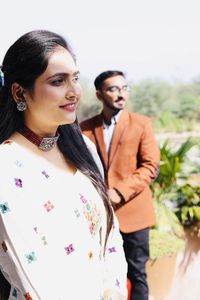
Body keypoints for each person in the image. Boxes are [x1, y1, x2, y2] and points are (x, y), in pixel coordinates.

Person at [0, 32, 128, 300]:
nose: (74, 91)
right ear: (19, 91)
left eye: (76, 78)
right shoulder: (8, 166)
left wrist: (112, 289)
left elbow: (110, 233)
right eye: (58, 81)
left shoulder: (83, 148)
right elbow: (31, 273)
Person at [81, 70, 160, 300]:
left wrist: (118, 192)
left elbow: (150, 166)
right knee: (100, 275)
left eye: (124, 88)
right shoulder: (85, 128)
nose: (121, 94)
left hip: (134, 215)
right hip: (99, 218)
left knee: (137, 275)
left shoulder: (141, 124)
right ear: (98, 94)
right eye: (113, 89)